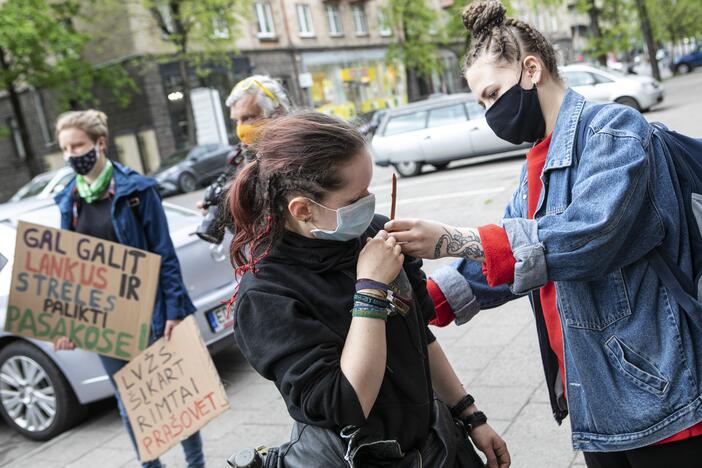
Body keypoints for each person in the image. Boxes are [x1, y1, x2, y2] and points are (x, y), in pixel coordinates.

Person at [384, 2, 702, 467]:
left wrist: (453, 238)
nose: (490, 113)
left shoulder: (615, 130)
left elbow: (590, 236)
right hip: (595, 393)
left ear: (531, 70)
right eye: (481, 103)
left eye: (493, 94)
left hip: (659, 391)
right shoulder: (536, 160)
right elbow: (505, 256)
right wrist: (423, 302)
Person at [228, 112, 510, 467]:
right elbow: (347, 402)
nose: (369, 205)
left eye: (369, 190)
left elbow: (420, 338)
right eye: (354, 199)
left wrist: (469, 415)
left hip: (437, 442)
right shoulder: (267, 295)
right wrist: (371, 290)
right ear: (302, 209)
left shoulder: (375, 235)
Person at [52, 110, 205, 468]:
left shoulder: (136, 190)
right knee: (128, 399)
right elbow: (70, 267)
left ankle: (195, 463)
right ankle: (151, 465)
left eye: (78, 145)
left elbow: (164, 255)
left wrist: (173, 311)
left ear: (100, 143)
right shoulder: (69, 201)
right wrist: (65, 322)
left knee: (170, 393)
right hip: (104, 318)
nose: (72, 154)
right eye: (65, 148)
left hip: (150, 311)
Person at [195, 75, 291, 242]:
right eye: (236, 121)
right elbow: (256, 231)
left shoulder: (297, 153)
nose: (241, 128)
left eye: (248, 117)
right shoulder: (246, 156)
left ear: (277, 113)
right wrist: (226, 209)